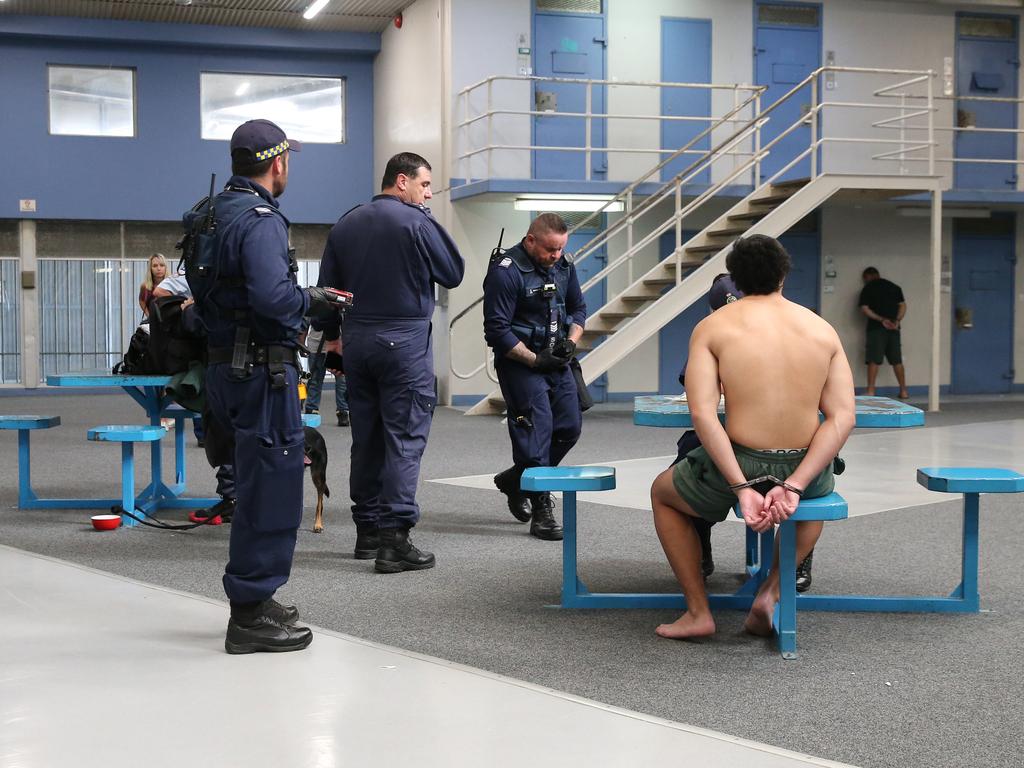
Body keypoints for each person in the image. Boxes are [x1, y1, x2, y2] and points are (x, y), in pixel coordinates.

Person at [191, 118, 347, 653]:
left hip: (222, 369)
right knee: (273, 488)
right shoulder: (261, 220)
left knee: (253, 483)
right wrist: (315, 300)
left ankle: (256, 597)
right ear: (278, 163)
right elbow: (273, 301)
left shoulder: (209, 213)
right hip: (260, 372)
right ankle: (250, 612)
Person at [649, 235, 855, 641]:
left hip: (740, 459)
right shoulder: (822, 329)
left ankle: (698, 612)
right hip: (801, 462)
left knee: (663, 493)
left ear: (736, 282)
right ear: (783, 275)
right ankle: (770, 594)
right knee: (816, 494)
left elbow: (704, 415)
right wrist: (794, 485)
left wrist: (742, 487)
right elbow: (842, 417)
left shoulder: (712, 327)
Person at [316, 151, 464, 573]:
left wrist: (331, 339)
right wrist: (427, 216)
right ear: (402, 181)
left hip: (357, 343)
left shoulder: (346, 223)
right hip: (404, 343)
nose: (428, 193)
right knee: (404, 438)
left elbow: (327, 291)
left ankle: (366, 531)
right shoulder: (416, 221)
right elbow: (453, 271)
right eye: (424, 185)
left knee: (368, 436)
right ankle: (394, 540)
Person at [483, 213, 587, 541]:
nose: (555, 256)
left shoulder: (564, 266)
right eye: (550, 249)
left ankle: (517, 479)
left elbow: (579, 309)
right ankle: (541, 506)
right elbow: (496, 331)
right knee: (537, 429)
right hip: (520, 363)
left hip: (557, 361)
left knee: (569, 426)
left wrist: (571, 343)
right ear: (530, 240)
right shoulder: (506, 272)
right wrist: (533, 359)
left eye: (560, 249)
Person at [151, 273, 235, 523]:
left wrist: (192, 308)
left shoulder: (211, 270)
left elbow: (196, 322)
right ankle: (244, 498)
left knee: (227, 428)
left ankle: (233, 499)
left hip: (226, 361)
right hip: (257, 361)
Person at [859, 266, 908, 399]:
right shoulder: (894, 287)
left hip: (876, 329)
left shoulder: (868, 288)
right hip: (894, 328)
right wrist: (897, 320)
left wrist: (881, 320)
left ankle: (871, 390)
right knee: (897, 360)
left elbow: (865, 309)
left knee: (874, 359)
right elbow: (903, 305)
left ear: (867, 277)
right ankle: (903, 391)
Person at [303, 324, 349, 426]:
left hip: (336, 347)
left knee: (341, 381)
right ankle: (312, 411)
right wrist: (301, 343)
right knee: (316, 380)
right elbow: (305, 322)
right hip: (318, 347)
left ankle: (343, 412)